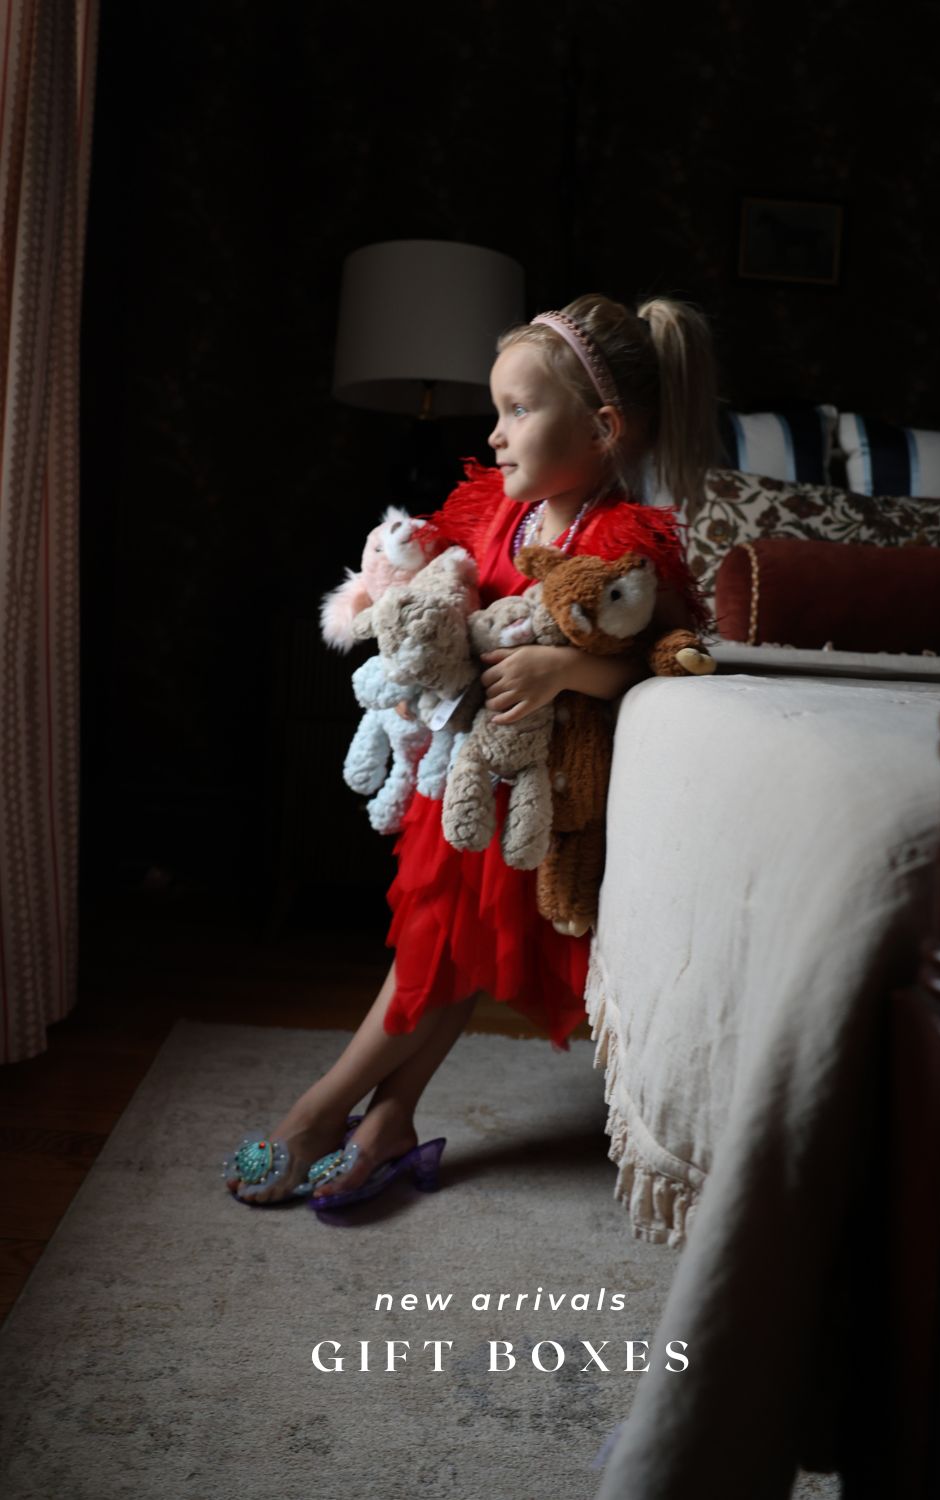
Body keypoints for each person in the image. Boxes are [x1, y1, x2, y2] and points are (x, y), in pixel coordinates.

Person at [224, 292, 719, 1207]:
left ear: (603, 428)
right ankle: (392, 1117)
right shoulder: (492, 505)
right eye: (497, 410)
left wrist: (564, 665)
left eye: (519, 411)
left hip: (534, 785)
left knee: (436, 951)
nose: (495, 434)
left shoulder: (623, 539)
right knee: (443, 948)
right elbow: (425, 579)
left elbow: (666, 662)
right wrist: (392, 577)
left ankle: (318, 1111)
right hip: (447, 770)